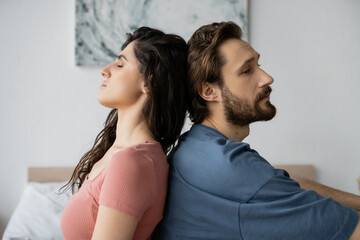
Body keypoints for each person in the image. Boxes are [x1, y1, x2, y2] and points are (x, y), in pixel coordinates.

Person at [153, 22, 360, 239]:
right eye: (246, 71)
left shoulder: (195, 146)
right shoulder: (233, 168)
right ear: (208, 90)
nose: (267, 78)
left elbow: (279, 182)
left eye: (259, 65)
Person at [60, 27, 188, 239]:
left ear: (149, 82)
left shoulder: (133, 162)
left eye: (120, 64)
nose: (104, 70)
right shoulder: (121, 153)